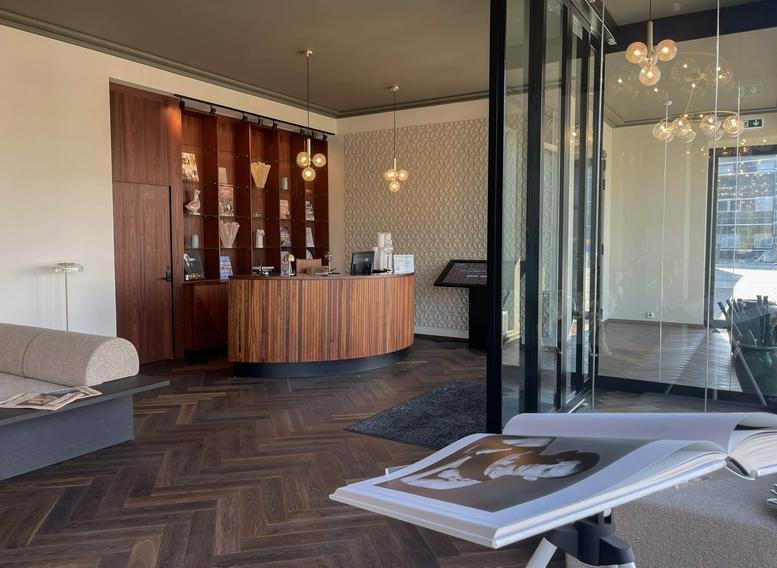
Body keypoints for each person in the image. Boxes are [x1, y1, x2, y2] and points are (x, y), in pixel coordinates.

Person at [399, 436, 598, 490]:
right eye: (557, 460)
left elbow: (409, 479)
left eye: (547, 471)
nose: (539, 466)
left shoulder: (469, 480)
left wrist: (469, 456)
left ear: (533, 478)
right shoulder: (537, 443)